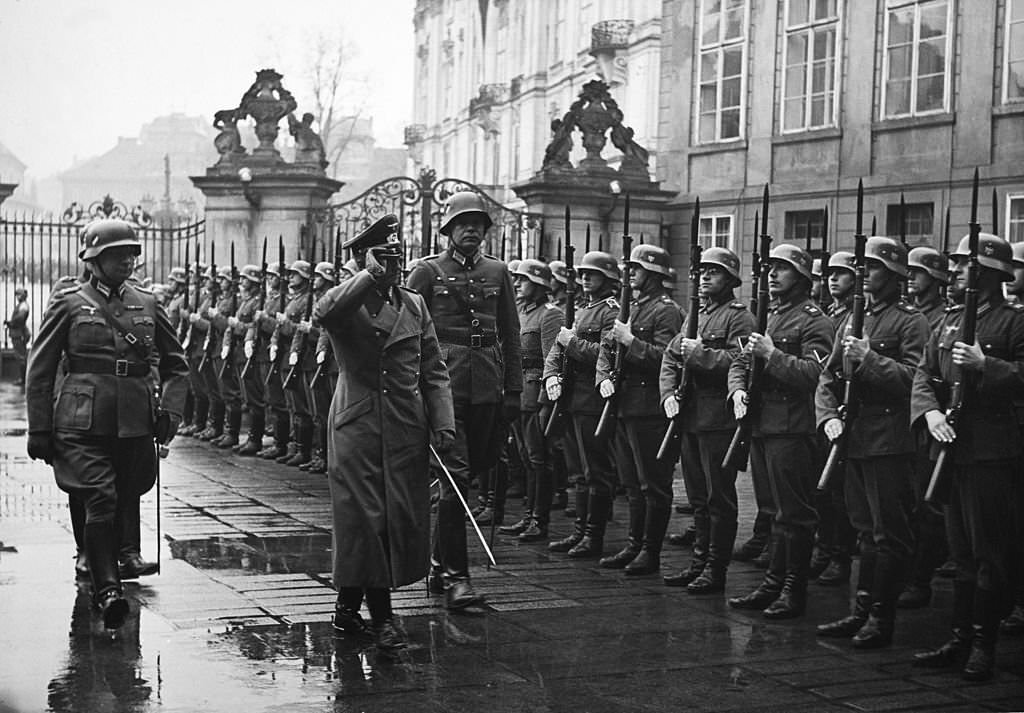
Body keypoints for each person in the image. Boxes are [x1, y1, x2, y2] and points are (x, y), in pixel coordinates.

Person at [26, 219, 188, 629]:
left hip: (134, 419)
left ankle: (112, 570)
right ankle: (109, 590)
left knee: (126, 491)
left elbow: (176, 365)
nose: (128, 261)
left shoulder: (149, 303)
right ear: (94, 259)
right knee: (100, 498)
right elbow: (40, 371)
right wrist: (39, 429)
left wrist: (170, 410)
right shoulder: (68, 303)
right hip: (81, 421)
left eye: (132, 254)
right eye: (118, 255)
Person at [315, 214, 455, 651]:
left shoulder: (413, 304)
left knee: (392, 519)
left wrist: (443, 422)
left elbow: (433, 369)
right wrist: (367, 275)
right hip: (357, 425)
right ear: (362, 258)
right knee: (367, 518)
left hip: (404, 426)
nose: (394, 265)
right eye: (383, 257)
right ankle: (384, 619)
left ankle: (345, 610)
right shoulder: (346, 300)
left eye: (397, 256)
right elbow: (326, 313)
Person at [911, 232, 1024, 681]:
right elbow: (923, 371)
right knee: (959, 551)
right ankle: (959, 637)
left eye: (964, 265)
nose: (954, 271)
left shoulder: (1014, 321)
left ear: (991, 274)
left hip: (991, 452)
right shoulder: (951, 320)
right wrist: (931, 412)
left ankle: (984, 643)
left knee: (988, 554)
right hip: (951, 447)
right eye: (956, 264)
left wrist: (986, 366)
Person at [407, 191, 521, 610]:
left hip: (487, 389)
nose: (471, 229)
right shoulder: (426, 272)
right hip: (444, 391)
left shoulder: (498, 272)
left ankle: (439, 563)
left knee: (468, 477)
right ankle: (458, 578)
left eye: (478, 224)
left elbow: (509, 334)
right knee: (454, 482)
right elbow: (406, 334)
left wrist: (513, 391)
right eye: (463, 223)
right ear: (449, 230)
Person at [815, 237, 929, 648]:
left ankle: (882, 617)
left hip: (890, 439)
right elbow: (828, 375)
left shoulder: (910, 321)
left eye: (873, 268)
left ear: (896, 275)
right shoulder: (851, 318)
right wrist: (827, 416)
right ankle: (861, 609)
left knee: (888, 534)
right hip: (855, 437)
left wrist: (870, 359)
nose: (864, 275)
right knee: (863, 530)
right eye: (861, 268)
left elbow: (918, 381)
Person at [727, 244, 833, 619]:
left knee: (795, 515)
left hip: (793, 427)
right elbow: (741, 359)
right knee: (773, 511)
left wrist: (773, 355)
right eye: (770, 268)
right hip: (763, 425)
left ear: (802, 278)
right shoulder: (767, 315)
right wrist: (737, 388)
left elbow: (817, 376)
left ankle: (792, 589)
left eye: (782, 268)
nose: (772, 275)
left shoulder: (813, 320)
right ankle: (772, 584)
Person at [660, 247, 754, 594]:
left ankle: (716, 568)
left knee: (719, 498)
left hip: (720, 418)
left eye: (713, 272)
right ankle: (699, 562)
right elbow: (672, 355)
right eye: (701, 272)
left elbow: (741, 361)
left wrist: (702, 356)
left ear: (730, 279)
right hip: (692, 416)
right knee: (698, 497)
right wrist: (668, 393)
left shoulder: (739, 316)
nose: (704, 277)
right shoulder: (697, 314)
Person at [596, 244, 683, 576]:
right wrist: (605, 375)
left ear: (656, 273)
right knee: (631, 483)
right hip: (624, 404)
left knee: (653, 484)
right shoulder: (629, 307)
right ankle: (634, 544)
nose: (629, 273)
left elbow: (668, 359)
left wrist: (631, 343)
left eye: (637, 269)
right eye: (628, 268)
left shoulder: (666, 310)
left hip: (650, 408)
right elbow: (606, 348)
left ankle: (650, 550)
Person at [544, 250, 621, 559]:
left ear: (609, 278)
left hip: (593, 398)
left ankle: (593, 535)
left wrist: (570, 342)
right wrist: (552, 372)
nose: (585, 277)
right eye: (583, 273)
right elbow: (558, 349)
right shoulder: (582, 308)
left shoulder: (610, 312)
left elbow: (605, 355)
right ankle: (580, 530)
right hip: (574, 397)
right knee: (577, 470)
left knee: (595, 470)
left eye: (593, 274)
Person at [898, 246, 952, 609]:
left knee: (929, 503)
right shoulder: (908, 315)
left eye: (918, 272)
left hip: (935, 418)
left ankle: (920, 578)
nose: (911, 278)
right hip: (905, 416)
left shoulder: (945, 318)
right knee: (907, 501)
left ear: (935, 279)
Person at [498, 259, 562, 541]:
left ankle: (539, 519)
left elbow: (553, 359)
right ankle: (528, 516)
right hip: (519, 390)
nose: (516, 284)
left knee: (539, 459)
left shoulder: (550, 314)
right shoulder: (522, 312)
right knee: (526, 457)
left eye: (522, 280)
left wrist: (548, 402)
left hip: (537, 394)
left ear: (537, 285)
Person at [810, 251, 859, 587]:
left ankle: (839, 555)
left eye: (841, 273)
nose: (832, 279)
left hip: (853, 411)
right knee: (824, 491)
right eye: (830, 273)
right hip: (827, 408)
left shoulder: (854, 316)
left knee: (841, 493)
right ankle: (825, 549)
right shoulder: (831, 313)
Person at [5, 285, 30, 387]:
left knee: (21, 357)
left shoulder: (23, 306)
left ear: (23, 295)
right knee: (21, 357)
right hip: (18, 334)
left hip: (18, 334)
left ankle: (23, 380)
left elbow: (19, 319)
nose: (17, 297)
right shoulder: (22, 305)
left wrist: (10, 323)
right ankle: (23, 379)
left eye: (19, 294)